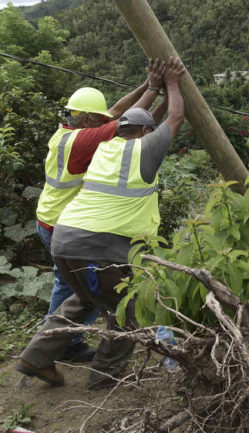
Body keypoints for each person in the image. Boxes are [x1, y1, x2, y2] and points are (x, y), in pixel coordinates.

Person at [16, 57, 186, 390]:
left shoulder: (102, 147)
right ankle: (104, 376)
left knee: (84, 300)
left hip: (63, 236)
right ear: (144, 133)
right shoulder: (138, 150)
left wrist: (156, 87)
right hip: (95, 244)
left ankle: (35, 356)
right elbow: (175, 118)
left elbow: (121, 116)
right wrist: (175, 84)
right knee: (127, 308)